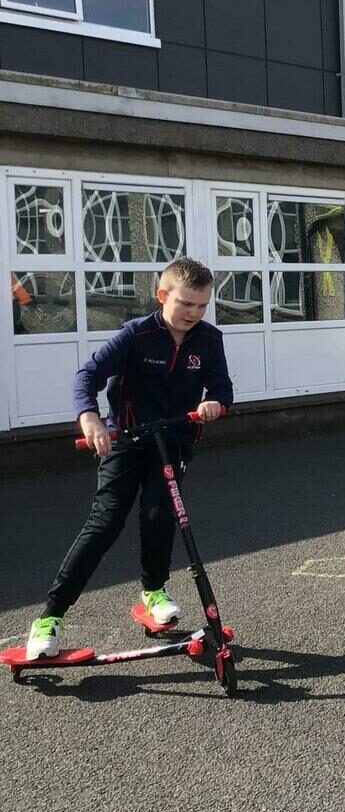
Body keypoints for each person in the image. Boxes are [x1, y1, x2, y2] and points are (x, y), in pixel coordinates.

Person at [25, 258, 233, 659]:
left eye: (202, 305)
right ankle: (49, 617)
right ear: (162, 295)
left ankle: (154, 591)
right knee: (105, 523)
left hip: (172, 442)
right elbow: (87, 376)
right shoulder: (136, 335)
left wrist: (214, 402)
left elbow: (222, 387)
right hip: (126, 440)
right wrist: (89, 417)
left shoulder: (209, 340)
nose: (193, 313)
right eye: (186, 303)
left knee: (159, 516)